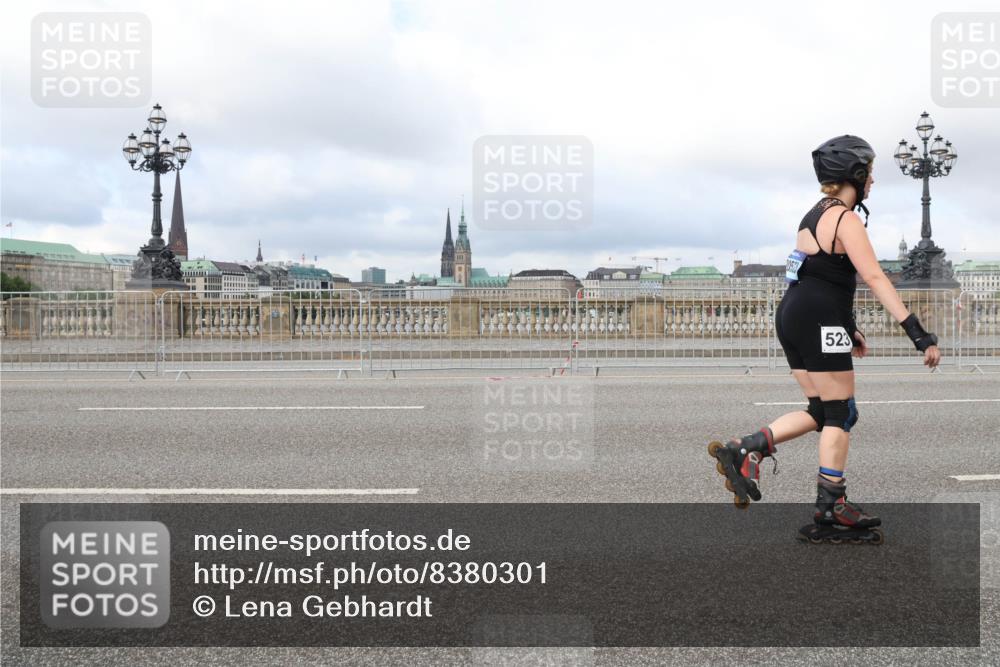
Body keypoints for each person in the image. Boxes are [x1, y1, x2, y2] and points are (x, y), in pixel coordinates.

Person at [709, 135, 941, 542]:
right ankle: (831, 506)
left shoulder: (812, 216)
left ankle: (748, 449)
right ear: (854, 174)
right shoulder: (846, 220)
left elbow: (818, 276)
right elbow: (872, 276)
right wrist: (918, 334)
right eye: (869, 173)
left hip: (794, 314)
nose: (873, 182)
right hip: (817, 318)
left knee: (822, 408)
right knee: (841, 413)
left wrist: (846, 328)